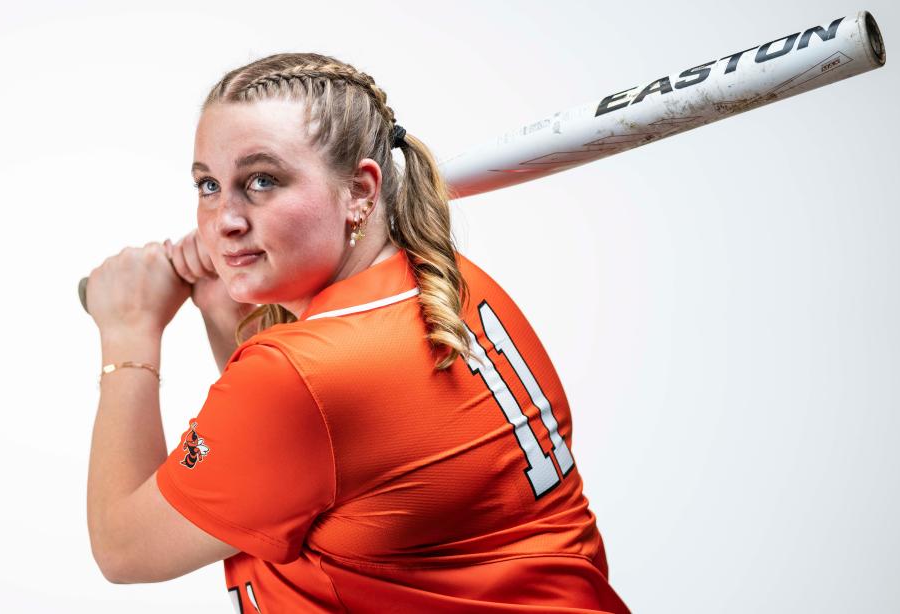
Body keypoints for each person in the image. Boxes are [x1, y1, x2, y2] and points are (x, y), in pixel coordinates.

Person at [85, 52, 631, 613]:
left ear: (361, 191)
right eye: (208, 185)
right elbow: (315, 462)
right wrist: (228, 315)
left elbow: (124, 546)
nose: (225, 218)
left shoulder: (298, 379)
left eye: (262, 181)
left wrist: (128, 331)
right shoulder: (452, 284)